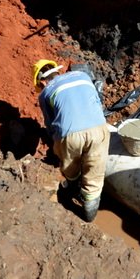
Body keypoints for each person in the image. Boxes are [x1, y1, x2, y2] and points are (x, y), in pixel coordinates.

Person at [32, 59, 110, 222]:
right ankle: (89, 212)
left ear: (43, 81)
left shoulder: (46, 93)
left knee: (69, 165)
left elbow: (51, 125)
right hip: (100, 128)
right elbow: (97, 101)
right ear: (57, 71)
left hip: (70, 135)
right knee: (95, 170)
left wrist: (57, 146)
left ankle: (72, 185)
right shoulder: (82, 75)